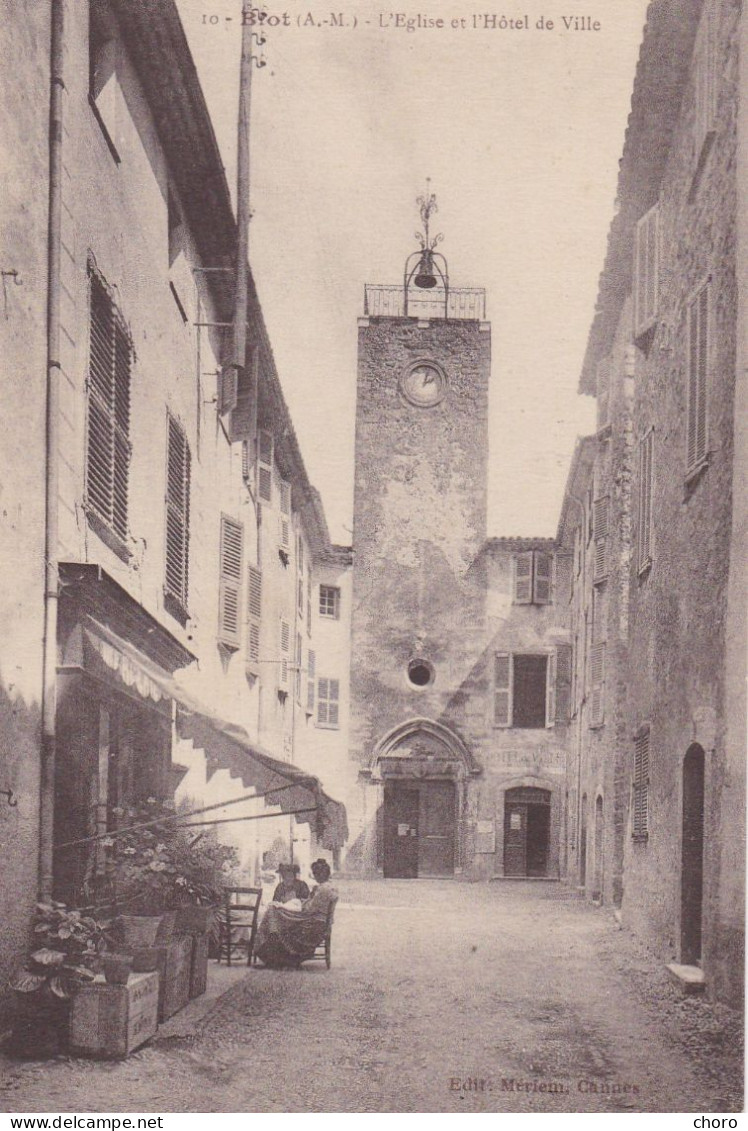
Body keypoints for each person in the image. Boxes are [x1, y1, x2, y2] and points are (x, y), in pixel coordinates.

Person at [253, 859, 337, 969]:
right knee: (278, 922)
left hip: (313, 925)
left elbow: (309, 908)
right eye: (284, 874)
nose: (287, 877)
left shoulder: (319, 889)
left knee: (281, 928)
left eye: (316, 874)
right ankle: (279, 958)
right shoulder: (327, 887)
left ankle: (280, 960)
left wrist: (299, 903)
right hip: (314, 920)